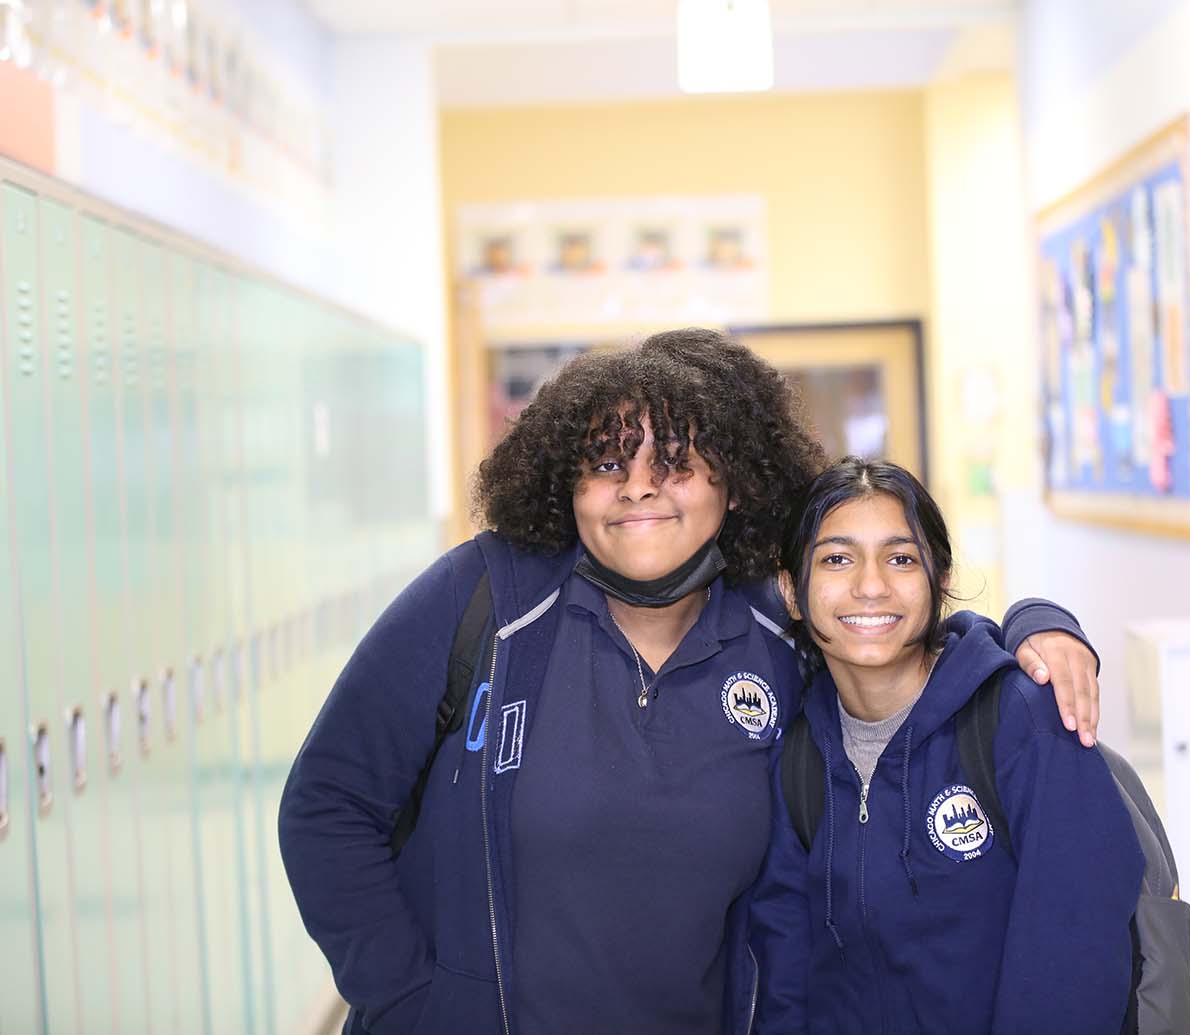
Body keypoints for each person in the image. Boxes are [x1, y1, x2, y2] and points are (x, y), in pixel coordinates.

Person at [278, 329, 1102, 1035]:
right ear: (567, 484)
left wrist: (1037, 623)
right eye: (607, 461)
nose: (638, 484)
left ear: (732, 483)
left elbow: (896, 635)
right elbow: (326, 803)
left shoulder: (776, 636)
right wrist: (413, 1002)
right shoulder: (485, 598)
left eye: (674, 461)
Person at [750, 458, 1144, 1034]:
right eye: (837, 558)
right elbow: (787, 972)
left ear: (940, 579)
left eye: (901, 558)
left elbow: (1076, 958)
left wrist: (1038, 618)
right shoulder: (799, 751)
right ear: (791, 590)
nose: (870, 585)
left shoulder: (1022, 719)